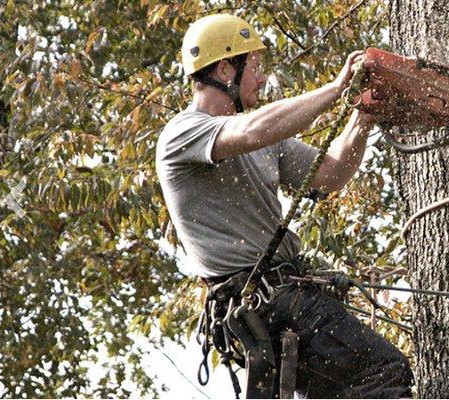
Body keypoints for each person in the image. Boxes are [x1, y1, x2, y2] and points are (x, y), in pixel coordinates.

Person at [156, 13, 413, 398]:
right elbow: (252, 130)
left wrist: (363, 114)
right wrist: (337, 87)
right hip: (264, 303)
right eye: (255, 68)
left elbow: (331, 173)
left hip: (287, 299)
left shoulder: (263, 139)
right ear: (226, 67)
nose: (261, 80)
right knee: (383, 370)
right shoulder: (183, 133)